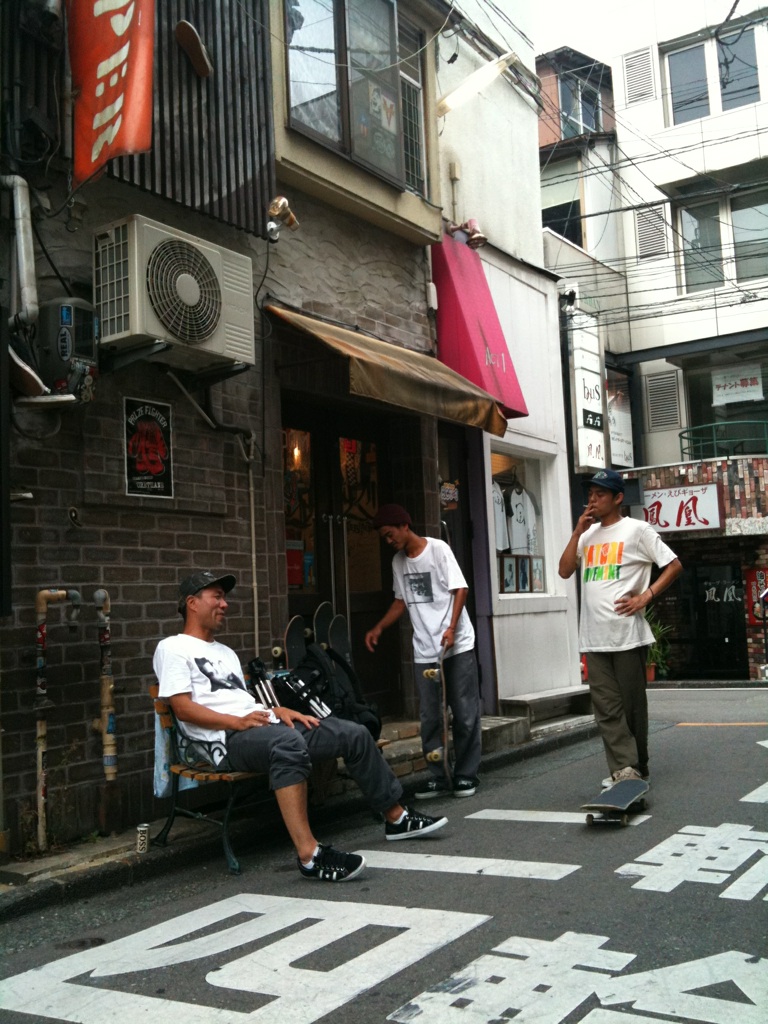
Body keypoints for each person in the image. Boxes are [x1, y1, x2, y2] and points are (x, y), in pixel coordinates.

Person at [153, 570, 448, 883]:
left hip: (260, 726)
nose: (225, 604)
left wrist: (277, 710)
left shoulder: (225, 652)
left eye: (224, 597)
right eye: (217, 597)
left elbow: (238, 700)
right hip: (225, 740)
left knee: (353, 733)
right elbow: (183, 709)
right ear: (192, 603)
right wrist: (237, 722)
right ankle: (310, 856)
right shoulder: (172, 648)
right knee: (287, 744)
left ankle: (396, 818)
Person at [558, 469, 682, 787]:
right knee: (606, 709)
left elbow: (674, 565)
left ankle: (638, 765)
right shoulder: (587, 535)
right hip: (593, 636)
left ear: (618, 498)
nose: (593, 500)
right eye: (590, 494)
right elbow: (564, 570)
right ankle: (625, 769)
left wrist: (645, 596)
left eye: (600, 494)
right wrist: (577, 532)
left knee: (631, 707)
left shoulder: (637, 530)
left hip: (627, 635)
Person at [365, 504, 482, 799]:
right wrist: (378, 628)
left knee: (464, 712)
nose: (388, 541)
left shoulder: (438, 549)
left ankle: (466, 774)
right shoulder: (398, 562)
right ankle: (439, 776)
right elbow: (400, 601)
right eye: (384, 537)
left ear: (404, 526)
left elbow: (460, 589)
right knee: (431, 717)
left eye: (390, 534)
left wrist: (452, 628)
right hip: (424, 649)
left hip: (457, 644)